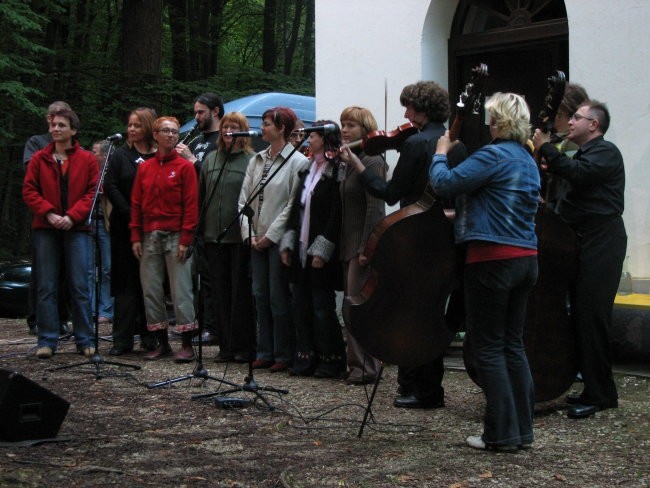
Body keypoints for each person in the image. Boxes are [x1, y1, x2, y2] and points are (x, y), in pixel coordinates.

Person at [345, 81, 467, 406]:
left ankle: (420, 388)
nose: (405, 113)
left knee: (411, 310)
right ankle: (424, 386)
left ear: (422, 109)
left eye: (409, 107)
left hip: (413, 237)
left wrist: (359, 166)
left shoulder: (416, 144)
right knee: (431, 309)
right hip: (445, 237)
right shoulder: (458, 143)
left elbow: (391, 192)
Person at [431, 92, 540, 451]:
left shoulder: (494, 154)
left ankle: (501, 434)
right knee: (512, 345)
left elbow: (444, 184)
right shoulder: (526, 159)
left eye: (492, 116)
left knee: (488, 348)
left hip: (492, 257)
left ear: (499, 121)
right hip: (526, 257)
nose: (488, 121)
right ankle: (521, 432)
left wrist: (440, 153)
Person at [533, 100, 626, 419]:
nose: (569, 122)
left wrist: (545, 148)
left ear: (594, 125)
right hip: (584, 241)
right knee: (581, 317)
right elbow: (571, 194)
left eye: (576, 117)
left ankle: (601, 394)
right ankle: (595, 390)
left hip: (603, 241)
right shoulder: (582, 153)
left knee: (592, 316)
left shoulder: (605, 152)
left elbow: (579, 174)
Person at [23, 108, 98, 359]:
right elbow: (30, 191)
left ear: (73, 130)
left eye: (61, 125)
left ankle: (85, 339)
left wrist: (71, 216)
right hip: (46, 228)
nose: (55, 129)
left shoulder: (87, 159)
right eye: (53, 125)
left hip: (77, 229)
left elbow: (91, 192)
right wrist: (50, 213)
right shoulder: (39, 159)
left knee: (79, 284)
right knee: (46, 285)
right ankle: (47, 340)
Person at [239, 106, 309, 372]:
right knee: (259, 295)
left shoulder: (297, 162)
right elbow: (243, 199)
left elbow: (292, 205)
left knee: (278, 296)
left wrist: (270, 236)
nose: (263, 128)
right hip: (254, 237)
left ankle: (282, 353)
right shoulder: (256, 159)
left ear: (282, 128)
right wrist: (249, 234)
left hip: (277, 240)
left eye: (268, 124)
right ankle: (264, 350)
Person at [280, 120, 346, 378]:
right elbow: (296, 209)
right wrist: (287, 241)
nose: (309, 140)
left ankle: (331, 359)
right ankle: (307, 356)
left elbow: (336, 214)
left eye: (314, 136)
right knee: (300, 304)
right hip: (301, 247)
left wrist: (323, 248)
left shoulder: (337, 170)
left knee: (321, 307)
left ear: (326, 139)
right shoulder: (307, 170)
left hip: (320, 251)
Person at [130, 116, 199, 362]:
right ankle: (161, 343)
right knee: (151, 289)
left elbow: (191, 205)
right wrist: (136, 235)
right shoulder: (144, 168)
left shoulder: (185, 167)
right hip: (149, 234)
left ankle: (187, 343)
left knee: (181, 290)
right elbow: (136, 203)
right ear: (156, 135)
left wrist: (186, 238)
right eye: (166, 131)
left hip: (176, 234)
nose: (171, 135)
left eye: (175, 132)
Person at [200, 112, 256, 363]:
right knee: (219, 293)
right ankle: (224, 345)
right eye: (225, 127)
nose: (228, 131)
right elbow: (202, 196)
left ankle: (242, 345)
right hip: (214, 236)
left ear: (243, 132)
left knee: (239, 292)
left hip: (239, 237)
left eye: (234, 127)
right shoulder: (211, 159)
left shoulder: (251, 161)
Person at [338, 106, 387, 385]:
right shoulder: (349, 160)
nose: (344, 130)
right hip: (349, 244)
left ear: (366, 130)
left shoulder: (372, 161)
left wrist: (366, 247)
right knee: (349, 306)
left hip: (362, 246)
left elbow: (374, 208)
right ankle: (357, 364)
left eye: (351, 125)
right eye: (343, 124)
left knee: (356, 306)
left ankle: (367, 367)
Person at [104, 107, 158, 355]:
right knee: (125, 284)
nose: (132, 129)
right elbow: (111, 186)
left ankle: (150, 336)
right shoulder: (119, 155)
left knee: (148, 283)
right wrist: (130, 212)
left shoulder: (158, 156)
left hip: (152, 228)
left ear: (148, 127)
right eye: (130, 125)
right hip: (123, 227)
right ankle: (122, 339)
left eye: (137, 125)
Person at [176, 92, 224, 347]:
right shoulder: (196, 140)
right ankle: (199, 323)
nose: (196, 118)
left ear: (215, 111)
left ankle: (213, 327)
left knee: (211, 277)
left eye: (200, 112)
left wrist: (192, 162)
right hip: (194, 217)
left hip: (214, 217)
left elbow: (213, 176)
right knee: (196, 276)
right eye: (195, 112)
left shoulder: (221, 140)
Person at [23, 100, 72, 337]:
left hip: (70, 218)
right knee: (42, 272)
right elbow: (31, 176)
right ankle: (37, 319)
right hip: (44, 217)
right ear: (48, 119)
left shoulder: (74, 149)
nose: (56, 125)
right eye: (53, 119)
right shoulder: (37, 143)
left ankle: (61, 317)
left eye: (62, 119)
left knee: (64, 271)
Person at [543, 83, 589, 214]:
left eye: (555, 111)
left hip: (563, 216)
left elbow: (569, 175)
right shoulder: (557, 139)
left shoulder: (573, 142)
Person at [88, 140, 113, 325]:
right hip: (87, 223)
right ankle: (89, 308)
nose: (91, 154)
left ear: (104, 155)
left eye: (95, 151)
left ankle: (106, 309)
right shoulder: (88, 171)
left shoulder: (110, 171)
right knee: (88, 269)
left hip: (105, 224)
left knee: (107, 269)